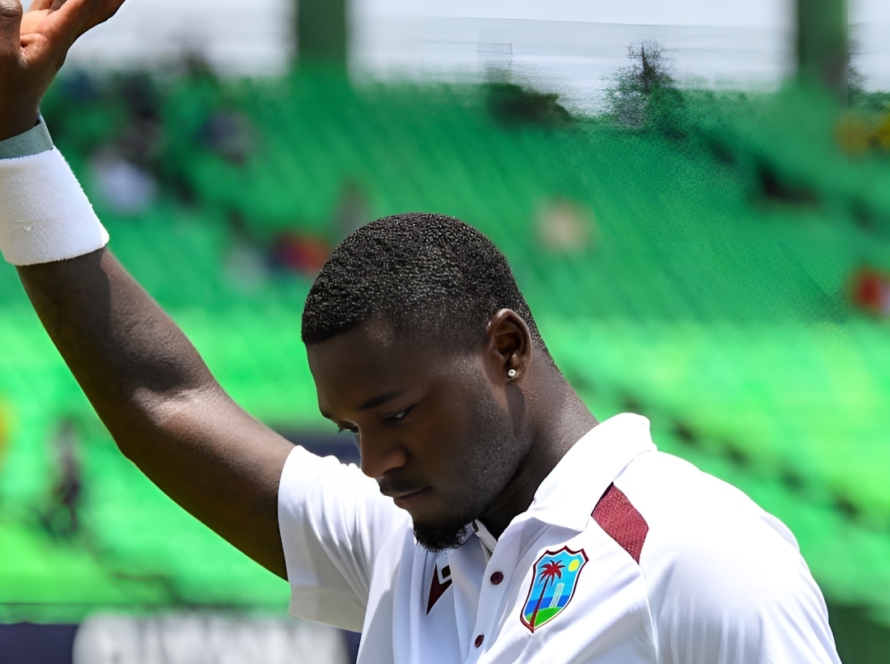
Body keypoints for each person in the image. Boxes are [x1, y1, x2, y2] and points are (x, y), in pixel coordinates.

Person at [0, 3, 843, 663]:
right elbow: (160, 399)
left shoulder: (698, 554)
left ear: (506, 349)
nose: (373, 462)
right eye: (351, 430)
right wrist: (13, 137)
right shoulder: (403, 547)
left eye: (395, 414)